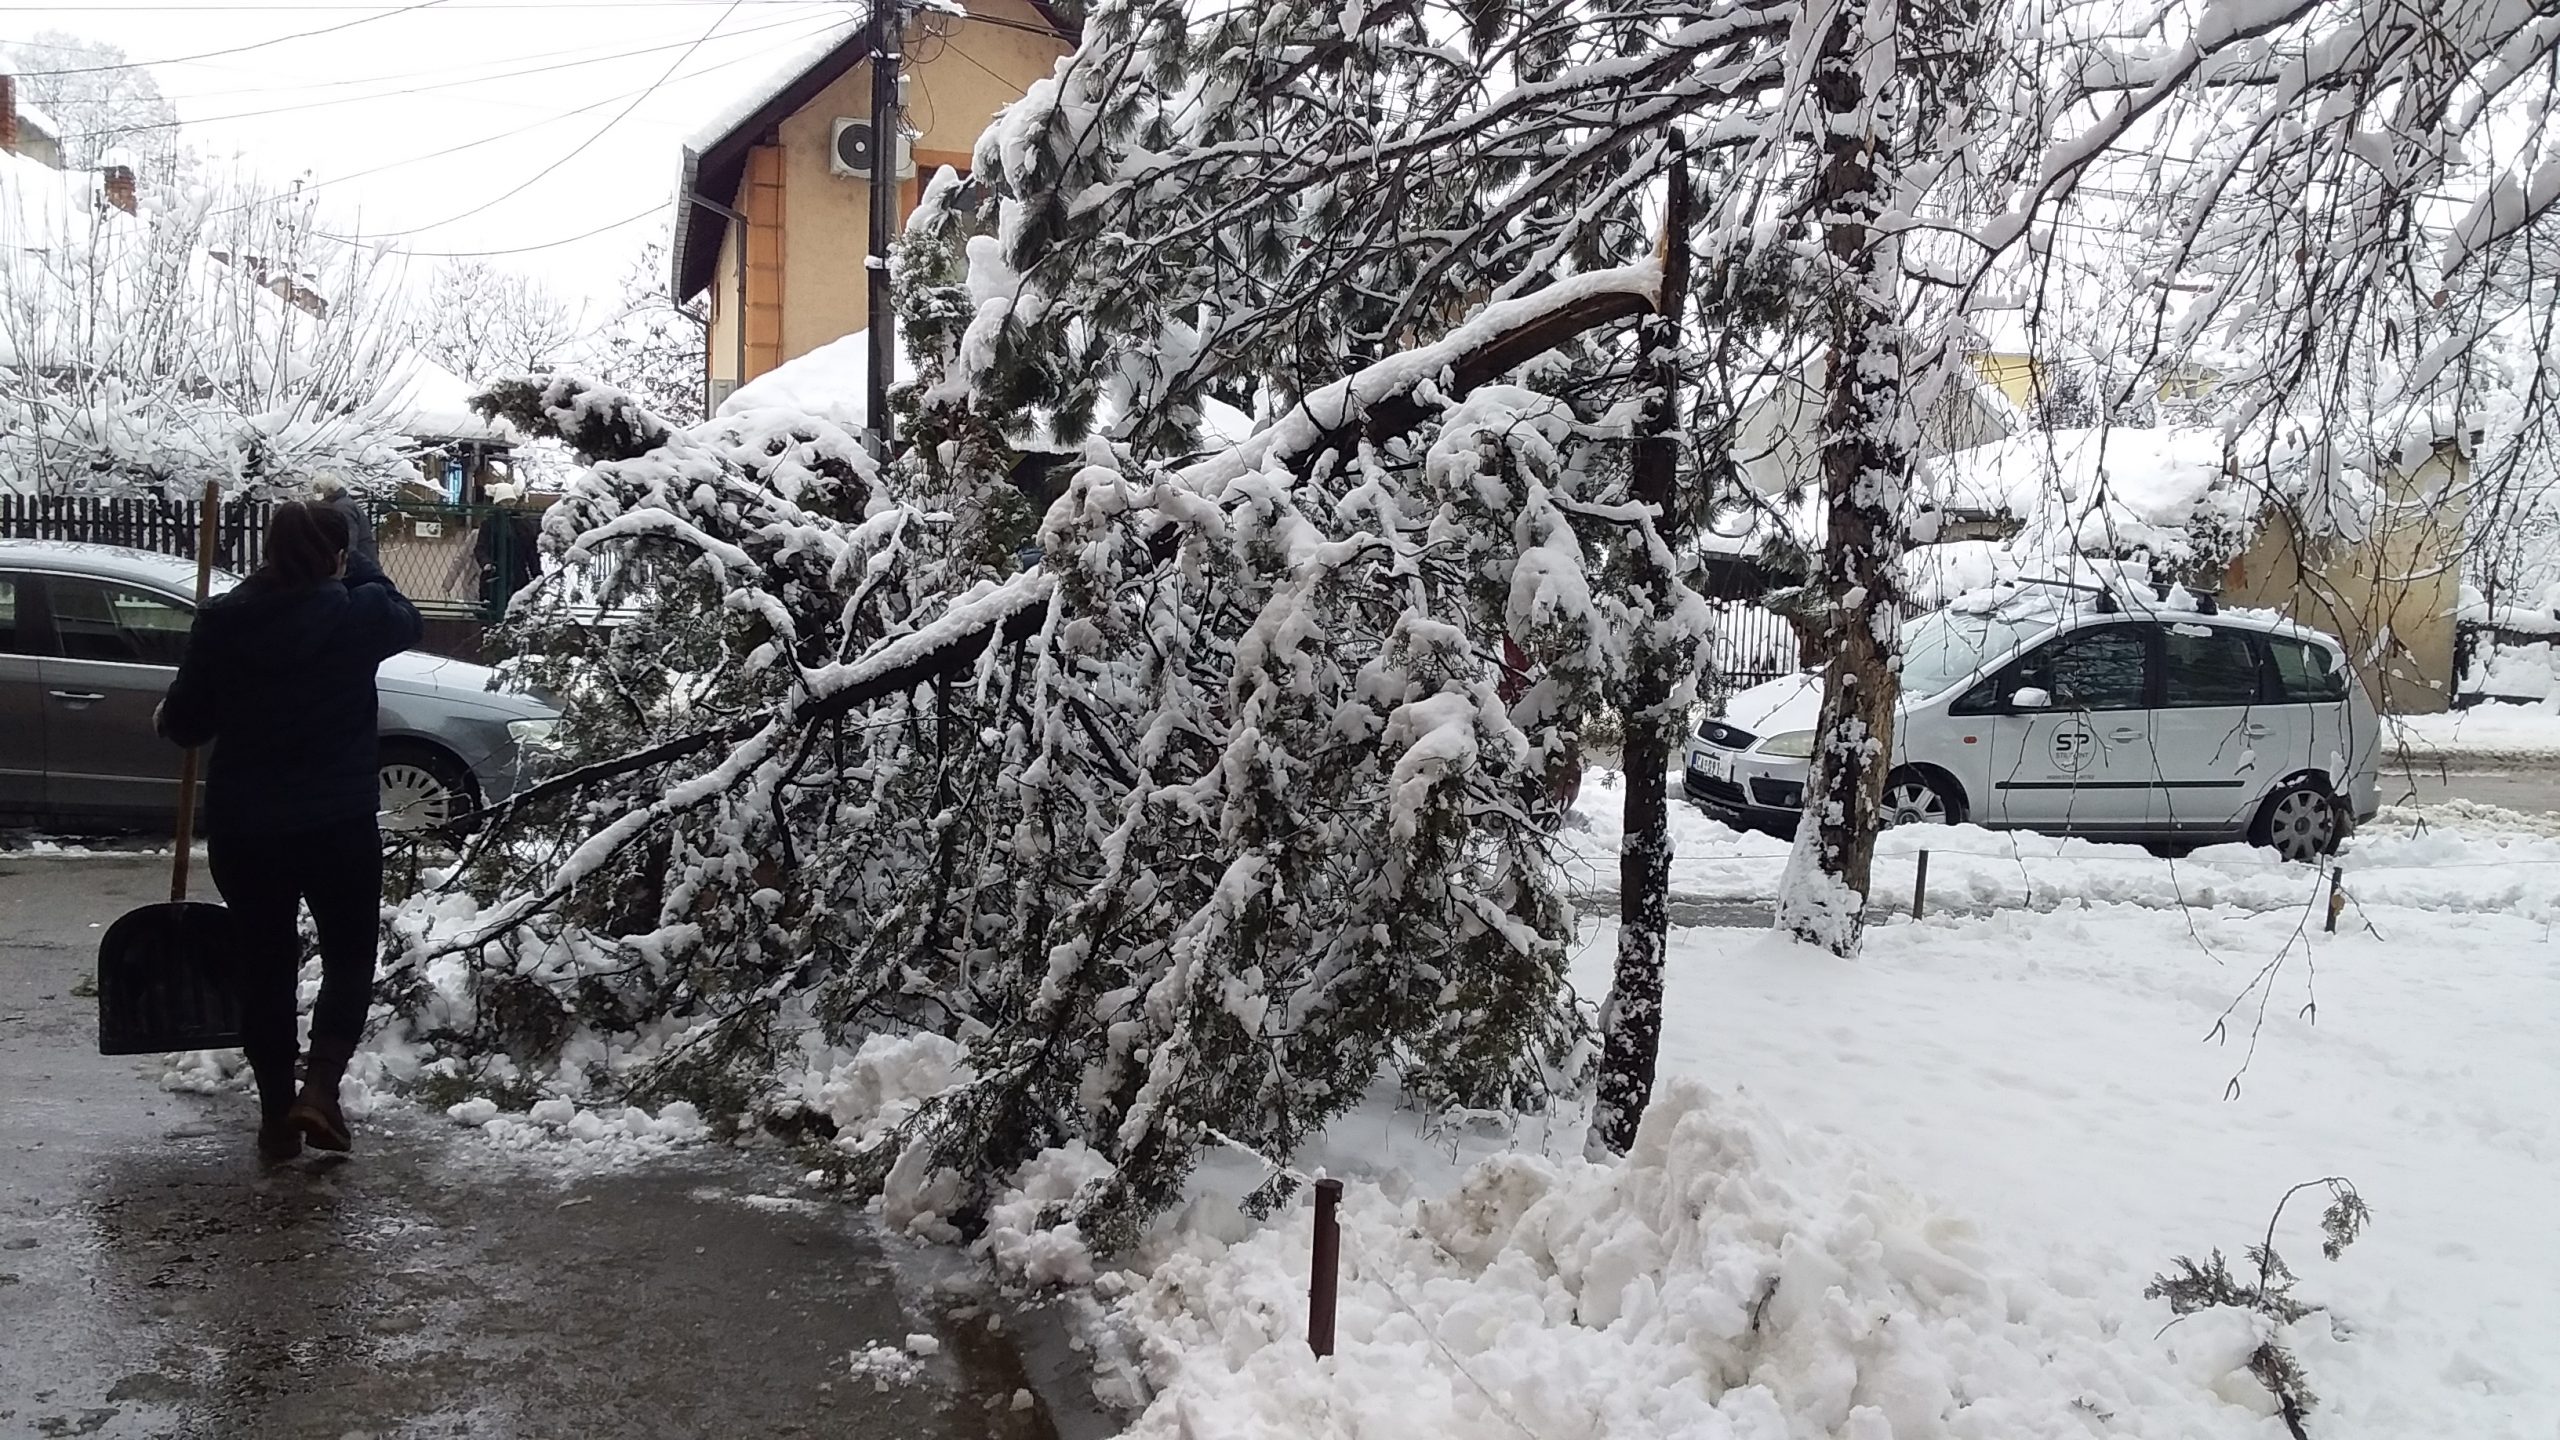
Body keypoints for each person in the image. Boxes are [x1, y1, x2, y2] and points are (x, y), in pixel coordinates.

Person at [157, 501, 423, 1162]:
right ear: (336, 556)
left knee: (265, 964)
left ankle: (278, 1115)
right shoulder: (359, 616)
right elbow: (400, 609)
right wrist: (351, 548)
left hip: (249, 830)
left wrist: (170, 711)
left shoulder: (224, 622)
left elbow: (187, 724)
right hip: (337, 826)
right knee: (349, 956)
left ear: (267, 554)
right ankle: (321, 1090)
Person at [308, 474, 377, 565]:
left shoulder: (341, 508)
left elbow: (349, 543)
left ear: (330, 490)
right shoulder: (343, 504)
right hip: (363, 561)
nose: (317, 495)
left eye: (319, 490)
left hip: (358, 566)